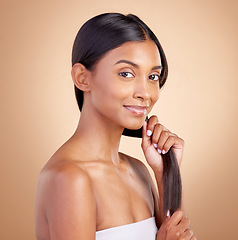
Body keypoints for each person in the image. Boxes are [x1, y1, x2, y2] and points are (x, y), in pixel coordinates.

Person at [35, 13, 196, 240]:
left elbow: (178, 234)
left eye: (152, 76)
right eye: (126, 74)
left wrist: (167, 173)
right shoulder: (69, 179)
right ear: (82, 78)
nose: (145, 93)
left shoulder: (140, 171)